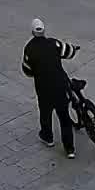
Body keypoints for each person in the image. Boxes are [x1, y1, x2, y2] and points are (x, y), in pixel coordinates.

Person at [22, 18, 79, 158]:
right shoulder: (53, 43)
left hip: (43, 89)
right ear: (44, 30)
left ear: (32, 32)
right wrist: (74, 48)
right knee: (64, 117)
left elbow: (27, 70)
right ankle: (70, 149)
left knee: (45, 113)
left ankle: (48, 137)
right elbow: (69, 52)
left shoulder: (29, 48)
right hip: (60, 86)